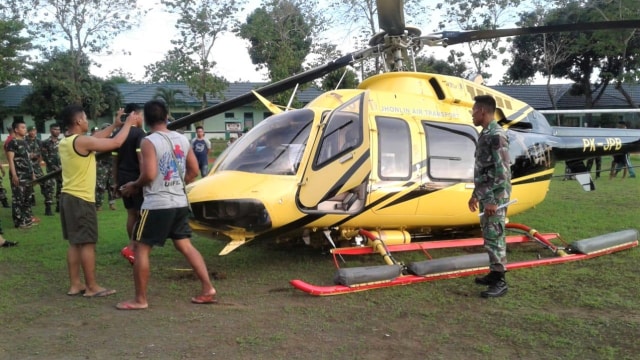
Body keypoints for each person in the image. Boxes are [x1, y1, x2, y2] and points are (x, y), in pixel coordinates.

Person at [117, 100, 216, 310]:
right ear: (167, 116)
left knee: (141, 248)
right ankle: (208, 288)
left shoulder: (149, 141)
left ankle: (140, 300)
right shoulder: (182, 138)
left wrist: (134, 185)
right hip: (179, 202)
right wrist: (178, 185)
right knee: (185, 245)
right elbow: (194, 170)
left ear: (147, 119)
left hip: (157, 204)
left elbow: (150, 174)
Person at [58, 104, 134, 297]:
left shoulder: (67, 141)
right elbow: (116, 143)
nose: (87, 121)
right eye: (84, 118)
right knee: (88, 243)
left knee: (75, 243)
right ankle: (92, 287)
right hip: (81, 199)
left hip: (68, 198)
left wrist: (116, 125)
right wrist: (128, 125)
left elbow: (97, 137)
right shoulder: (82, 142)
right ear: (78, 121)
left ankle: (76, 284)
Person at [468, 95, 512, 298]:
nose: (472, 114)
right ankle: (494, 274)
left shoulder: (497, 135)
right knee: (489, 235)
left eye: (474, 110)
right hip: (487, 195)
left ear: (483, 111)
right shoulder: (485, 133)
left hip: (495, 197)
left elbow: (502, 171)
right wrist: (476, 194)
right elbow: (484, 169)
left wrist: (493, 200)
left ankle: (500, 281)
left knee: (495, 237)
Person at [113, 103, 146, 265]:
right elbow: (141, 160)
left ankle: (132, 246)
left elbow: (114, 160)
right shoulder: (140, 133)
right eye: (142, 116)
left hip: (122, 176)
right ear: (137, 116)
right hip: (135, 179)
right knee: (141, 214)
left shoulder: (118, 133)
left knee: (131, 213)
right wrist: (143, 180)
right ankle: (134, 247)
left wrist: (115, 181)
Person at [6, 120, 36, 229]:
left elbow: (28, 160)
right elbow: (10, 160)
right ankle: (19, 222)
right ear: (16, 130)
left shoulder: (25, 142)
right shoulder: (12, 143)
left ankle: (27, 219)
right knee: (18, 199)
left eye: (25, 127)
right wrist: (14, 175)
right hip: (19, 175)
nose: (25, 129)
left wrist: (32, 173)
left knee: (27, 198)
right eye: (22, 127)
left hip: (27, 174)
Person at [26, 126, 54, 215]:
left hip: (37, 168)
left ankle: (48, 208)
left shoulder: (39, 141)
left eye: (34, 130)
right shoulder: (24, 141)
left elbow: (42, 153)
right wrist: (31, 156)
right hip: (27, 168)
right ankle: (28, 212)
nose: (33, 132)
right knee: (27, 189)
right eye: (31, 131)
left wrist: (38, 159)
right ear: (28, 132)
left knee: (46, 185)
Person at [40, 123, 63, 212]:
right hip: (51, 169)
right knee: (50, 188)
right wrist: (54, 166)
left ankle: (59, 206)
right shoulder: (45, 142)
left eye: (58, 130)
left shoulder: (62, 141)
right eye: (55, 129)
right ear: (50, 130)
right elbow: (45, 156)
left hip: (61, 169)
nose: (57, 131)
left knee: (61, 188)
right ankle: (48, 207)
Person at [95, 123, 117, 211]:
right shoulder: (99, 140)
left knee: (112, 186)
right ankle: (99, 204)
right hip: (102, 165)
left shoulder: (114, 140)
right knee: (100, 186)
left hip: (112, 165)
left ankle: (112, 204)